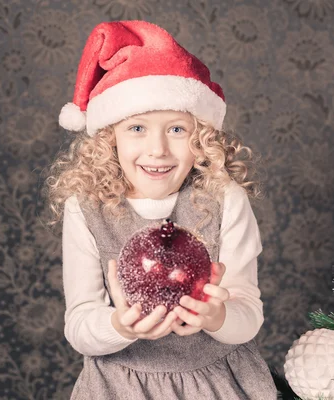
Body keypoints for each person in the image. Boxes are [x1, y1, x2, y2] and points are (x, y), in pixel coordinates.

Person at [46, 20, 277, 400]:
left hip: (217, 383)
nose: (158, 150)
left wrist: (218, 317)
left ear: (201, 138)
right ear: (110, 138)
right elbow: (80, 324)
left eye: (176, 130)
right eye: (137, 128)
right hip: (121, 385)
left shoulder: (224, 199)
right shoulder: (85, 209)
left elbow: (248, 312)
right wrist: (120, 325)